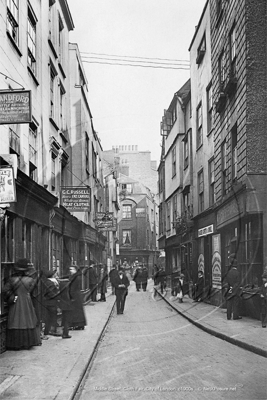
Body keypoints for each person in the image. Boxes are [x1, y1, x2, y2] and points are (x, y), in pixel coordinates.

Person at [3, 258, 41, 350]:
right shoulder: (30, 280)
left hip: (16, 302)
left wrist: (12, 297)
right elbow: (35, 292)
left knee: (15, 321)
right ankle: (27, 343)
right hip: (27, 302)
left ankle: (16, 344)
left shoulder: (12, 279)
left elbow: (5, 291)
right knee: (27, 321)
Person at [42, 269, 61, 337]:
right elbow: (53, 293)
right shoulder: (52, 282)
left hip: (45, 302)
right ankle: (52, 331)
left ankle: (47, 331)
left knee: (47, 317)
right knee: (52, 316)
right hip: (51, 302)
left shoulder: (44, 281)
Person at [224, 255, 242, 320]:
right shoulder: (237, 273)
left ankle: (228, 316)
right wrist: (234, 288)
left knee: (229, 303)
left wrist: (230, 287)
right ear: (236, 266)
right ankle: (235, 316)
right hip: (235, 290)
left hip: (229, 289)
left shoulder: (228, 272)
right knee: (235, 303)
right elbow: (237, 283)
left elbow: (226, 282)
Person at [69, 265, 87, 330]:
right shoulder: (77, 276)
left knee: (76, 311)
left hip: (75, 295)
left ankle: (78, 324)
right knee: (78, 311)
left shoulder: (75, 277)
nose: (70, 271)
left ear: (75, 270)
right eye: (70, 269)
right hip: (77, 295)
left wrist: (71, 296)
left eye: (72, 269)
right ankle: (80, 324)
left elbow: (73, 288)